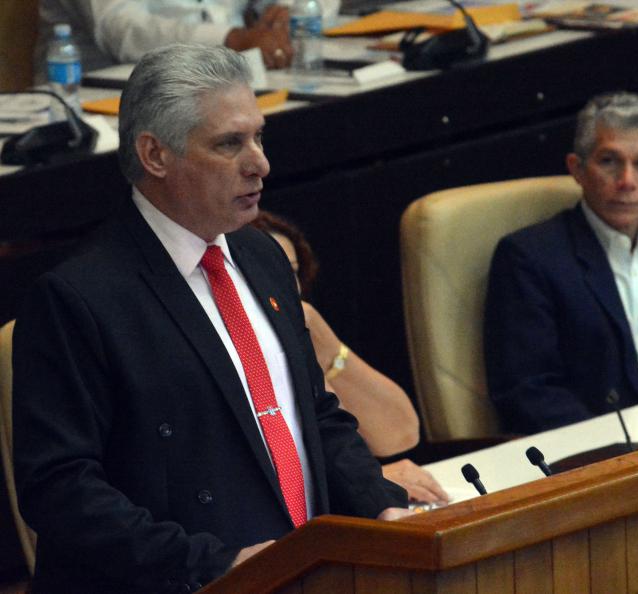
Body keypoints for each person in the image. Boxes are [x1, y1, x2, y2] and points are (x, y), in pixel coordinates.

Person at [12, 44, 408, 594]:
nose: (260, 163)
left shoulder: (263, 258)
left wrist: (381, 510)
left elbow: (313, 414)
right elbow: (61, 489)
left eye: (259, 137)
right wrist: (210, 564)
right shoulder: (78, 299)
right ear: (155, 155)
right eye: (229, 144)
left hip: (307, 572)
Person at [484, 91, 638, 435]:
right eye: (610, 161)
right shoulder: (530, 258)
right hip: (600, 452)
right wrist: (614, 445)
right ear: (577, 169)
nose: (627, 181)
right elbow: (528, 391)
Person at [251, 211, 450, 504]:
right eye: (269, 273)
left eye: (289, 271)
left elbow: (400, 435)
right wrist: (366, 482)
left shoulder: (304, 330)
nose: (283, 286)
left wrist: (326, 346)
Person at [35, 0, 301, 74]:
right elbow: (120, 29)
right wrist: (228, 39)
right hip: (110, 101)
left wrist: (282, 12)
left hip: (222, 82)